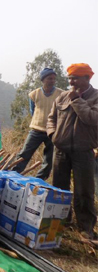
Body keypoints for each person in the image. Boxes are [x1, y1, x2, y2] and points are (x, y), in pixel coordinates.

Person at [47, 63, 98, 239]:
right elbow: (51, 118)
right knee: (59, 187)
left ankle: (85, 227)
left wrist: (76, 100)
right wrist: (53, 134)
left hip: (84, 151)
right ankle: (62, 221)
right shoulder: (62, 97)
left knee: (84, 190)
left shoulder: (96, 97)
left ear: (87, 78)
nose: (71, 82)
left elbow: (92, 118)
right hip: (61, 149)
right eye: (69, 78)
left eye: (75, 78)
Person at [13, 68, 63, 180]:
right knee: (24, 154)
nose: (52, 81)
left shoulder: (61, 94)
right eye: (50, 78)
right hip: (36, 130)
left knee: (49, 158)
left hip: (53, 131)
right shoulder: (34, 94)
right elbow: (33, 110)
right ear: (43, 79)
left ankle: (40, 180)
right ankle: (13, 175)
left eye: (54, 79)